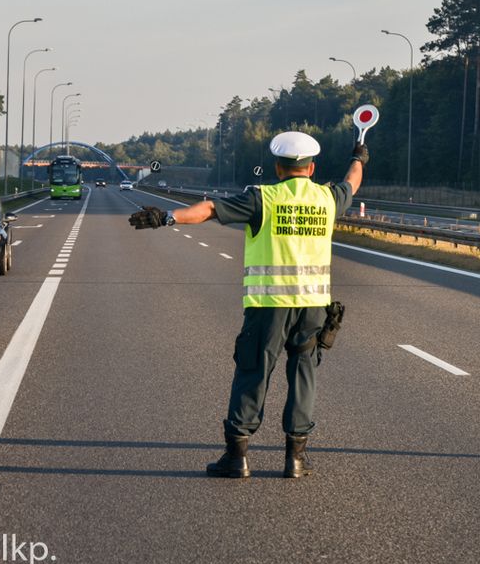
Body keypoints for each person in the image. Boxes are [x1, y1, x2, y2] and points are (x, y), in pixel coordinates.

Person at [129, 132, 366, 479]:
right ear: (312, 168)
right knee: (304, 375)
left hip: (269, 305)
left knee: (253, 372)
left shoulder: (263, 198)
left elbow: (209, 209)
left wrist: (166, 218)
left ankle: (237, 456)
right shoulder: (328, 198)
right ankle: (296, 459)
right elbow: (352, 183)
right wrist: (359, 156)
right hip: (313, 306)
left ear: (277, 167)